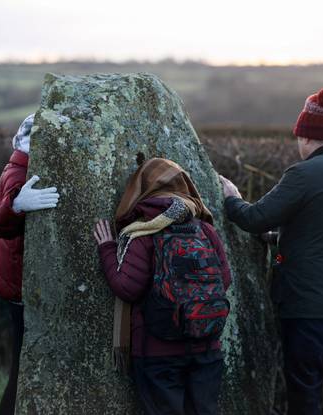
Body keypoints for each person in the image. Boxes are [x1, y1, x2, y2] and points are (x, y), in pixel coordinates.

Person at [219, 89, 323, 415]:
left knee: (305, 392)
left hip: (310, 308)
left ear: (306, 136)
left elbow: (253, 218)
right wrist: (279, 240)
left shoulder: (303, 174)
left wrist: (231, 197)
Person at [94, 158, 232, 415]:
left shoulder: (143, 231)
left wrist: (107, 249)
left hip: (158, 352)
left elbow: (127, 288)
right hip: (206, 346)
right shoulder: (205, 229)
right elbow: (224, 280)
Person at [0, 114, 60, 415]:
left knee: (26, 364)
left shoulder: (24, 166)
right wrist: (17, 205)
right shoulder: (19, 173)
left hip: (18, 284)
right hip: (20, 288)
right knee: (22, 367)